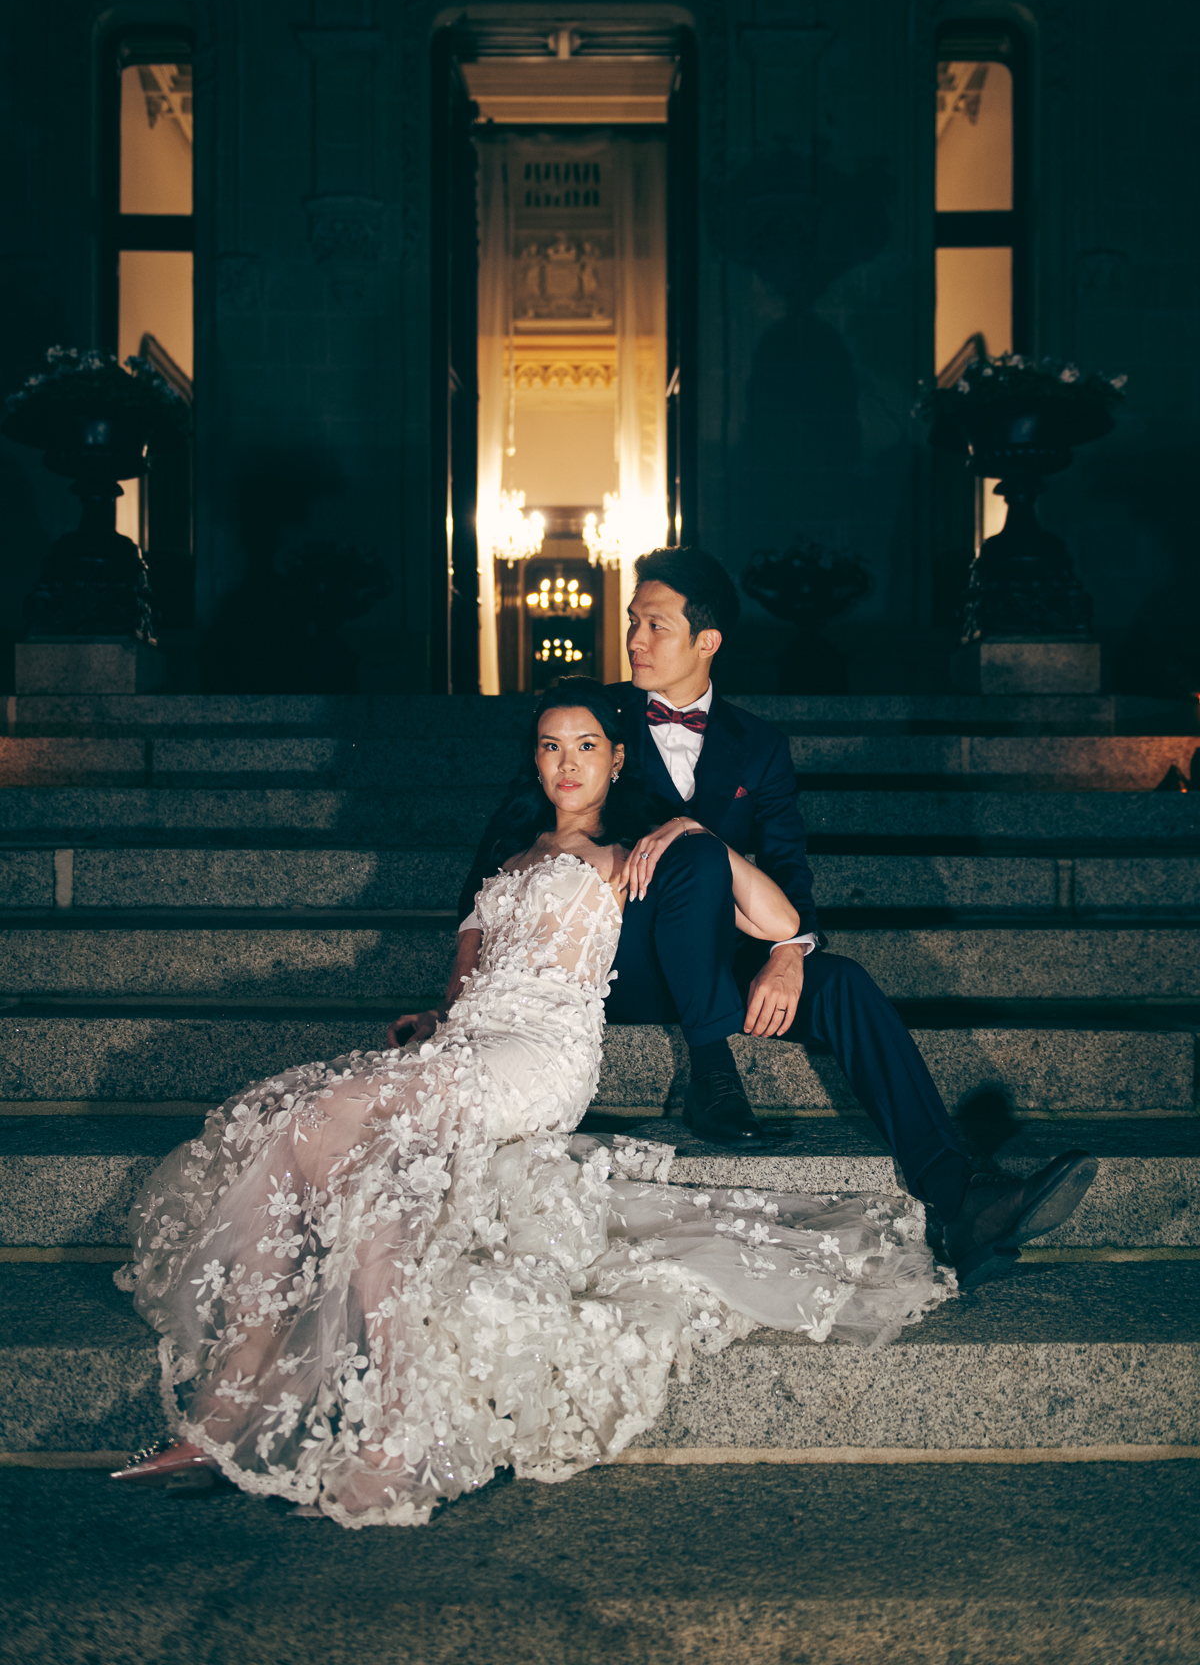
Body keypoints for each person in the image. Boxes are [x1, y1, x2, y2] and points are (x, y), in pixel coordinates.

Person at [112, 680, 954, 1527]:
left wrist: (701, 834)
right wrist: (437, 1021)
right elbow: (467, 984)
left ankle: (262, 1420)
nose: (566, 763)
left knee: (309, 1121)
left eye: (586, 745)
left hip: (542, 1056)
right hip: (470, 1041)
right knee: (349, 1162)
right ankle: (269, 1426)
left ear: (618, 759)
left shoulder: (631, 855)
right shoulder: (505, 862)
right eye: (551, 746)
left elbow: (776, 917)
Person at [439, 550, 1097, 1292]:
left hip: (722, 950)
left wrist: (793, 950)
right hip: (620, 964)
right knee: (689, 855)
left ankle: (962, 1199)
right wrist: (460, 994)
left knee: (840, 982)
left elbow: (789, 866)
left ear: (706, 640)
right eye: (632, 623)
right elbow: (504, 855)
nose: (635, 641)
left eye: (655, 625)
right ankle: (712, 1074)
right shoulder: (592, 721)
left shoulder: (760, 745)